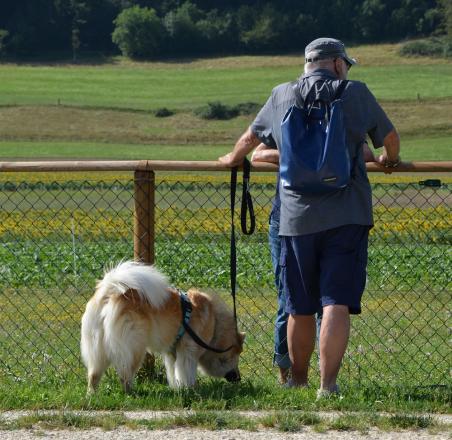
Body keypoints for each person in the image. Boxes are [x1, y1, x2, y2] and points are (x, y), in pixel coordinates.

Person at [219, 37, 400, 396]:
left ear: (307, 64)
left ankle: (298, 382)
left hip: (295, 218)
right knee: (336, 301)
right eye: (345, 64)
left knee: (299, 305)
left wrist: (229, 159)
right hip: (347, 214)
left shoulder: (281, 95)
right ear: (336, 64)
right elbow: (390, 139)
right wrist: (388, 161)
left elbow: (249, 141)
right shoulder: (355, 93)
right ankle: (327, 386)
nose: (345, 69)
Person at [250, 141, 376, 385]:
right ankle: (289, 374)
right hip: (291, 218)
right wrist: (303, 152)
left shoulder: (340, 115)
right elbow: (257, 154)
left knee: (325, 302)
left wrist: (307, 155)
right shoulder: (289, 112)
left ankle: (318, 376)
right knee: (290, 299)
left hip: (329, 221)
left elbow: (367, 153)